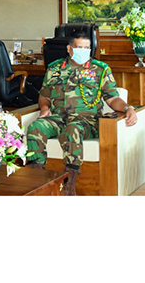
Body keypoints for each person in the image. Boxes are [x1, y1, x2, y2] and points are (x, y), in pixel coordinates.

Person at [26, 31, 138, 195]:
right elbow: (44, 95)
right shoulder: (54, 68)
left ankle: (69, 187)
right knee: (35, 127)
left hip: (86, 121)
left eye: (87, 48)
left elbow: (113, 99)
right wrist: (44, 108)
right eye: (79, 47)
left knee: (72, 130)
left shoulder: (100, 69)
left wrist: (128, 108)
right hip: (57, 118)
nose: (84, 51)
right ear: (69, 48)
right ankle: (39, 183)